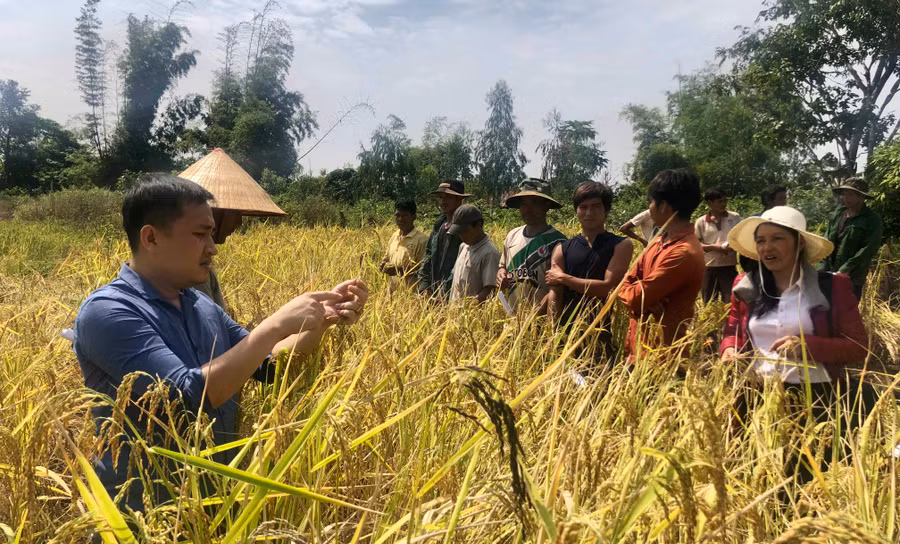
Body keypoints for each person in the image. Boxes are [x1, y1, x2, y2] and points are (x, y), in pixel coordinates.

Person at [73, 174, 369, 512]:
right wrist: (273, 325)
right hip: (146, 515)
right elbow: (184, 399)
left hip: (214, 503)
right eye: (200, 235)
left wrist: (319, 321)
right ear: (151, 237)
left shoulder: (200, 305)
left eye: (211, 234)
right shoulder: (108, 313)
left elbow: (269, 366)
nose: (212, 247)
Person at [720, 206, 869, 484]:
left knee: (806, 479)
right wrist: (729, 348)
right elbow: (733, 327)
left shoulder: (831, 287)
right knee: (754, 474)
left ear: (799, 243)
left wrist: (806, 346)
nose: (767, 248)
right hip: (755, 395)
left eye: (777, 239)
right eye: (761, 240)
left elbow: (858, 346)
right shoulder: (746, 285)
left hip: (814, 398)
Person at [618, 169, 705, 360]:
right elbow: (629, 280)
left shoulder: (683, 253)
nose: (649, 208)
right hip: (639, 347)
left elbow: (634, 297)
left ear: (664, 206)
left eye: (650, 202)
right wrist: (638, 295)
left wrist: (635, 295)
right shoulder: (659, 240)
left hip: (663, 357)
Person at [546, 181, 633, 360]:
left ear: (606, 209)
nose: (589, 213)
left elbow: (607, 288)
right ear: (576, 210)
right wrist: (552, 334)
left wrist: (563, 277)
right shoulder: (562, 248)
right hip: (566, 333)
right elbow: (555, 293)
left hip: (601, 332)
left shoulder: (621, 245)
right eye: (583, 207)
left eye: (596, 207)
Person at [497, 178, 567, 313]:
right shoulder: (512, 235)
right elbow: (502, 266)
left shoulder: (558, 242)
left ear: (546, 205)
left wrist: (534, 315)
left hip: (540, 320)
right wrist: (501, 274)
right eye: (523, 204)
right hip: (510, 319)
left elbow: (558, 288)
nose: (527, 210)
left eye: (534, 203)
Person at [818, 177, 883, 301]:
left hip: (851, 278)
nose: (846, 198)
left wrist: (845, 269)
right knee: (824, 313)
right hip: (828, 274)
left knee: (846, 314)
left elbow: (868, 249)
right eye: (845, 194)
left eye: (851, 195)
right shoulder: (838, 214)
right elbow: (825, 241)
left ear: (862, 197)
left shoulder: (871, 220)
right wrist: (821, 266)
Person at [418, 180, 471, 299]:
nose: (443, 201)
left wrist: (444, 291)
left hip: (455, 293)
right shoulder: (439, 225)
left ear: (459, 199)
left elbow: (462, 264)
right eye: (441, 197)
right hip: (433, 293)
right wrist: (424, 286)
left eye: (448, 197)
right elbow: (428, 256)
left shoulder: (466, 228)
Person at [694, 187, 742, 303]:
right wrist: (714, 247)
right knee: (709, 302)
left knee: (730, 302)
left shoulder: (734, 217)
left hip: (729, 267)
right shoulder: (701, 222)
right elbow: (695, 245)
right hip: (709, 268)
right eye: (720, 201)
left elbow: (742, 237)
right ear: (710, 203)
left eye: (725, 201)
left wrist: (734, 245)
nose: (724, 204)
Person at [448, 204, 500, 302]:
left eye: (464, 231)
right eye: (458, 232)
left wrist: (472, 304)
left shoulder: (489, 253)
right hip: (454, 313)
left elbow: (491, 290)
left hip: (472, 314)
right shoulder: (463, 247)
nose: (461, 236)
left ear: (478, 225)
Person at [194, 209, 243, 308]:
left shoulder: (203, 264)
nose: (239, 222)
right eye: (236, 214)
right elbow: (207, 321)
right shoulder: (192, 270)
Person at [380, 200, 428, 289]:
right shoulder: (394, 236)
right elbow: (387, 258)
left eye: (404, 215)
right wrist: (383, 265)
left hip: (410, 296)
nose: (400, 219)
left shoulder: (422, 240)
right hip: (391, 296)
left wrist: (399, 270)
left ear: (414, 217)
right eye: (398, 215)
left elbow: (424, 271)